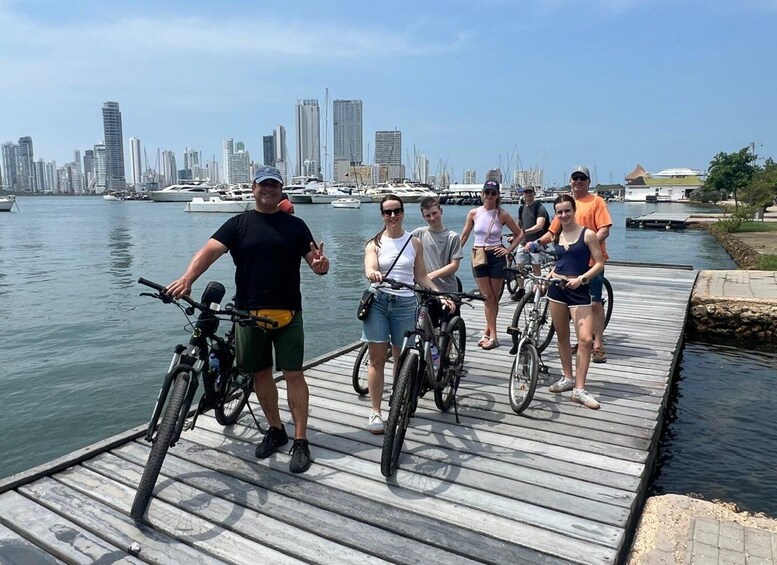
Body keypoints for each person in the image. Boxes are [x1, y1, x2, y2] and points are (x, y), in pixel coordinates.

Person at [165, 166, 329, 474]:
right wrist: (188, 278)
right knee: (261, 375)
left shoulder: (296, 226)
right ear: (253, 188)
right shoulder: (238, 224)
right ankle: (276, 430)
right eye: (263, 184)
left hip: (288, 315)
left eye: (274, 185)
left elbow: (316, 264)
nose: (268, 189)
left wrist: (321, 266)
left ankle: (300, 440)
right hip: (248, 314)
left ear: (281, 190)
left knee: (294, 375)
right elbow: (209, 252)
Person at [362, 195, 453, 434]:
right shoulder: (374, 243)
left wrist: (440, 295)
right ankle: (375, 411)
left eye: (396, 211)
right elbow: (370, 266)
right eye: (387, 212)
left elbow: (421, 276)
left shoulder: (414, 243)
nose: (392, 216)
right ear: (382, 215)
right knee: (377, 359)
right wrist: (373, 273)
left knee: (401, 359)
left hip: (405, 303)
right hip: (379, 302)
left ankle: (398, 398)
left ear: (402, 213)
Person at [528, 166, 612, 363]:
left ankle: (597, 344)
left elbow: (604, 230)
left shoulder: (597, 201)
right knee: (568, 304)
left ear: (589, 181)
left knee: (594, 302)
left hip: (590, 262)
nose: (578, 181)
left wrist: (586, 246)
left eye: (583, 178)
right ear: (570, 181)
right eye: (575, 177)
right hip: (567, 263)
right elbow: (552, 232)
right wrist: (536, 243)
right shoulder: (565, 205)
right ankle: (581, 341)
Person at [540, 194, 605, 409]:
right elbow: (560, 262)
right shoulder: (557, 236)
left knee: (585, 339)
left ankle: (580, 389)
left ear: (574, 210)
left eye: (567, 210)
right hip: (557, 290)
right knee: (562, 336)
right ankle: (568, 378)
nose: (563, 215)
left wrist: (582, 279)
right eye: (559, 212)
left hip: (579, 290)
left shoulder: (588, 234)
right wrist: (548, 276)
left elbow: (599, 263)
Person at [460, 179, 523, 350]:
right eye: (486, 192)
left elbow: (519, 234)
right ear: (482, 194)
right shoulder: (474, 213)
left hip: (496, 256)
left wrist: (508, 250)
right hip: (479, 255)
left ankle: (490, 334)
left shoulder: (502, 214)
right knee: (488, 298)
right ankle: (491, 334)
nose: (489, 196)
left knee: (494, 297)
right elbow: (464, 236)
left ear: (497, 195)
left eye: (492, 193)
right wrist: (454, 255)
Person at [512, 186, 550, 301]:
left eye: (530, 192)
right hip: (523, 242)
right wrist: (515, 234)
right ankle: (521, 289)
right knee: (519, 266)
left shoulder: (540, 208)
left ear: (534, 193)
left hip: (536, 242)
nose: (528, 194)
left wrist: (524, 232)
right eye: (526, 192)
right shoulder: (522, 208)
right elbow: (520, 223)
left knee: (536, 268)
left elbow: (540, 226)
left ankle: (535, 291)